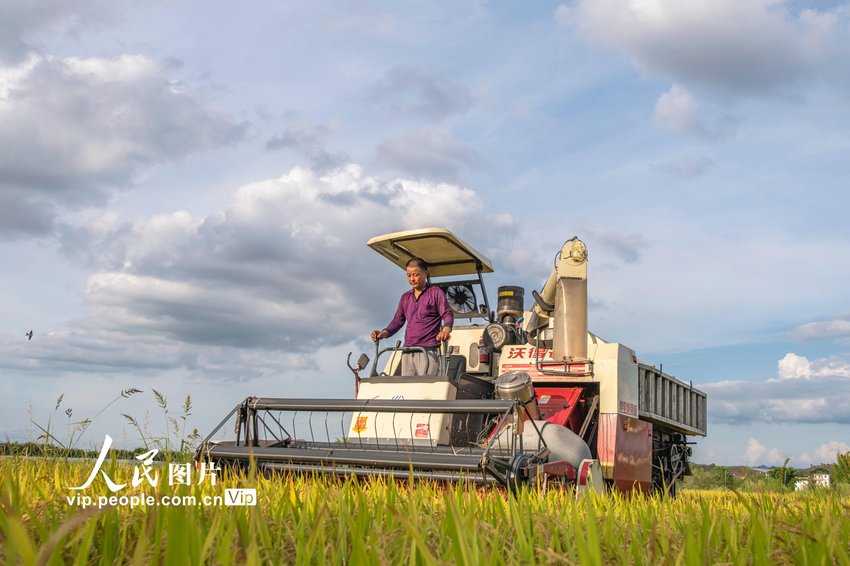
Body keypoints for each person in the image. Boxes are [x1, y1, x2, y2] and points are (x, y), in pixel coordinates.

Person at [370, 257, 453, 376]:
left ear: (425, 273)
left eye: (415, 275)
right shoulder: (405, 297)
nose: (412, 279)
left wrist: (446, 330)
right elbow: (398, 321)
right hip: (407, 351)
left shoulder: (435, 293)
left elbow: (447, 313)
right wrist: (384, 333)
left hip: (428, 351)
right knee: (408, 391)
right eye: (409, 275)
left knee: (425, 391)